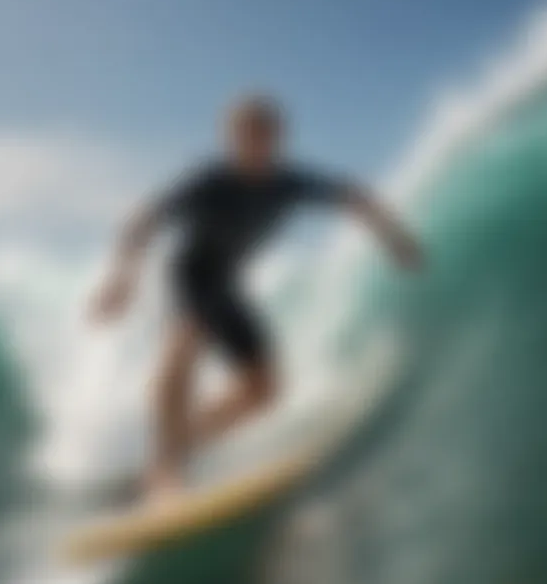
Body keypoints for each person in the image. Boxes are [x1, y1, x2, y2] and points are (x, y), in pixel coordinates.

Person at [92, 95, 424, 499]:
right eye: (244, 135)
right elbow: (144, 219)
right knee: (184, 343)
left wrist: (393, 238)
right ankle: (164, 470)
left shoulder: (291, 183)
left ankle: (181, 444)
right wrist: (121, 278)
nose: (254, 143)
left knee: (264, 390)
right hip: (190, 274)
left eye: (263, 134)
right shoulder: (208, 182)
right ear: (230, 138)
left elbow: (355, 197)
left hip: (227, 283)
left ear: (278, 137)